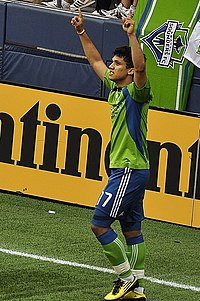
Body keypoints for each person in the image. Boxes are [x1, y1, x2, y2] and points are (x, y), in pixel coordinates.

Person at [71, 9, 151, 301]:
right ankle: (138, 290)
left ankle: (126, 278)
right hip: (130, 169)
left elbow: (141, 69)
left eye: (117, 64)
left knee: (99, 223)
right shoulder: (115, 90)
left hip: (128, 169)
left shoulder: (136, 93)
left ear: (129, 71)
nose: (111, 67)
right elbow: (94, 60)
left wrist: (131, 35)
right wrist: (82, 31)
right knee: (132, 230)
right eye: (113, 63)